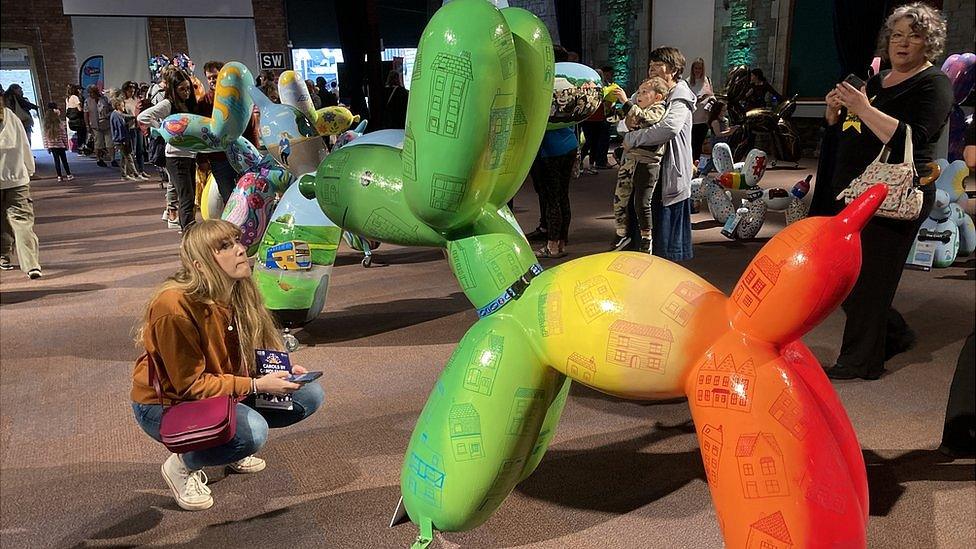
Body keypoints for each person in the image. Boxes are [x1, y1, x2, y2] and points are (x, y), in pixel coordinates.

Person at [130, 219, 324, 510]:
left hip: (223, 390)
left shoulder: (238, 290)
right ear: (200, 264)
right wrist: (258, 385)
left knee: (309, 396)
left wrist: (276, 371)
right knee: (252, 433)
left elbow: (252, 349)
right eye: (225, 246)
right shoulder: (174, 307)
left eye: (237, 241)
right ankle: (183, 463)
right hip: (166, 404)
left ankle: (224, 445)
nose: (240, 250)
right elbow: (190, 386)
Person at [811, 2, 953, 380]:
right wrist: (834, 115)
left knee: (871, 281)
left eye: (914, 35)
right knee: (847, 279)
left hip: (898, 195)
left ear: (930, 43)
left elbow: (913, 137)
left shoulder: (935, 84)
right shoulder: (876, 82)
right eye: (897, 35)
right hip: (857, 193)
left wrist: (862, 106)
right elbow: (854, 135)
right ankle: (894, 333)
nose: (902, 43)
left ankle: (860, 361)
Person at [615, 46, 696, 261]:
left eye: (658, 65)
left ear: (673, 69)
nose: (652, 70)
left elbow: (668, 128)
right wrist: (626, 128)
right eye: (650, 65)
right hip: (642, 165)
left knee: (663, 238)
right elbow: (623, 122)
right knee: (639, 209)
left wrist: (632, 138)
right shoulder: (645, 90)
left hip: (668, 170)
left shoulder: (680, 96)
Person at [610, 77, 669, 253]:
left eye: (645, 92)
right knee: (620, 198)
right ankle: (622, 234)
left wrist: (626, 102)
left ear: (658, 97)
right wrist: (610, 104)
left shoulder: (658, 108)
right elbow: (614, 120)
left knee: (642, 202)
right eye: (639, 91)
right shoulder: (635, 109)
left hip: (647, 163)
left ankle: (646, 238)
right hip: (629, 161)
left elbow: (647, 120)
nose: (639, 95)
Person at [532, 45, 578, 258]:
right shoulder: (568, 80)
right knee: (562, 195)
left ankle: (551, 245)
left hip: (551, 148)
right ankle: (560, 243)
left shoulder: (545, 81)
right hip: (568, 143)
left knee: (552, 198)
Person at [139, 70, 199, 231]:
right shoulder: (168, 104)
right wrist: (163, 129)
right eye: (182, 89)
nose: (186, 92)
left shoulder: (189, 103)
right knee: (186, 198)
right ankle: (188, 235)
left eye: (188, 88)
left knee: (190, 197)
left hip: (189, 155)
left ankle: (188, 232)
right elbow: (142, 117)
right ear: (173, 89)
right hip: (176, 157)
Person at [0, 95, 42, 278]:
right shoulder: (11, 117)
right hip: (17, 179)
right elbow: (24, 145)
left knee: (2, 222)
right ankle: (31, 265)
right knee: (22, 222)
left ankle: (4, 257)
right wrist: (30, 169)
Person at [196, 61, 244, 203]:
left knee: (246, 193)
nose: (212, 80)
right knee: (228, 197)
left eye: (215, 76)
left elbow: (249, 125)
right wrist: (202, 159)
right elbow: (200, 132)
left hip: (241, 153)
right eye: (209, 77)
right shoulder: (204, 102)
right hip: (218, 158)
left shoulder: (237, 97)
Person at [122, 81, 150, 179]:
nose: (132, 91)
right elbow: (121, 115)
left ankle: (141, 170)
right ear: (125, 90)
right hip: (130, 128)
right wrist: (131, 117)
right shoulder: (123, 101)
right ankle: (131, 172)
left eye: (133, 89)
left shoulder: (137, 100)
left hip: (138, 127)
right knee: (131, 151)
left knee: (141, 150)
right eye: (130, 90)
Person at [687, 57, 714, 158]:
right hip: (692, 119)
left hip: (704, 119)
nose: (698, 71)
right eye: (696, 68)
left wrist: (710, 100)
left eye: (700, 68)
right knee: (691, 145)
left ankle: (696, 168)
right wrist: (698, 99)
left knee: (699, 145)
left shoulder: (707, 80)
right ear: (692, 69)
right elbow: (687, 100)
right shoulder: (687, 82)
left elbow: (712, 95)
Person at [41, 102, 73, 182]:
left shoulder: (46, 123)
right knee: (64, 160)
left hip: (52, 145)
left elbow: (45, 136)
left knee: (56, 161)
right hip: (60, 145)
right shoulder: (58, 122)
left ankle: (59, 176)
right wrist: (66, 145)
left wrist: (47, 146)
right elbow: (63, 134)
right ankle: (68, 174)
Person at [85, 85, 116, 168]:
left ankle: (113, 159)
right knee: (98, 144)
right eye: (90, 93)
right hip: (95, 125)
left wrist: (108, 114)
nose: (91, 95)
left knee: (110, 143)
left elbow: (111, 109)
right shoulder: (87, 101)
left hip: (106, 123)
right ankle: (99, 159)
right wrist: (87, 125)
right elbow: (86, 113)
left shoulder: (104, 99)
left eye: (92, 93)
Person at [110, 99, 139, 181]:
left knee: (123, 157)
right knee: (128, 157)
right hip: (121, 139)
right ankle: (135, 174)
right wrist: (123, 139)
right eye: (122, 106)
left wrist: (133, 117)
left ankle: (124, 174)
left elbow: (125, 116)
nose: (123, 107)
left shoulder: (117, 114)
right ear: (118, 106)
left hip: (120, 139)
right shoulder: (116, 116)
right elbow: (120, 128)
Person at [64, 84, 87, 155]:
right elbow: (79, 109)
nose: (81, 91)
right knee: (82, 134)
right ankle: (81, 149)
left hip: (72, 120)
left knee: (79, 134)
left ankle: (80, 149)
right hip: (78, 119)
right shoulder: (75, 97)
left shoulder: (68, 98)